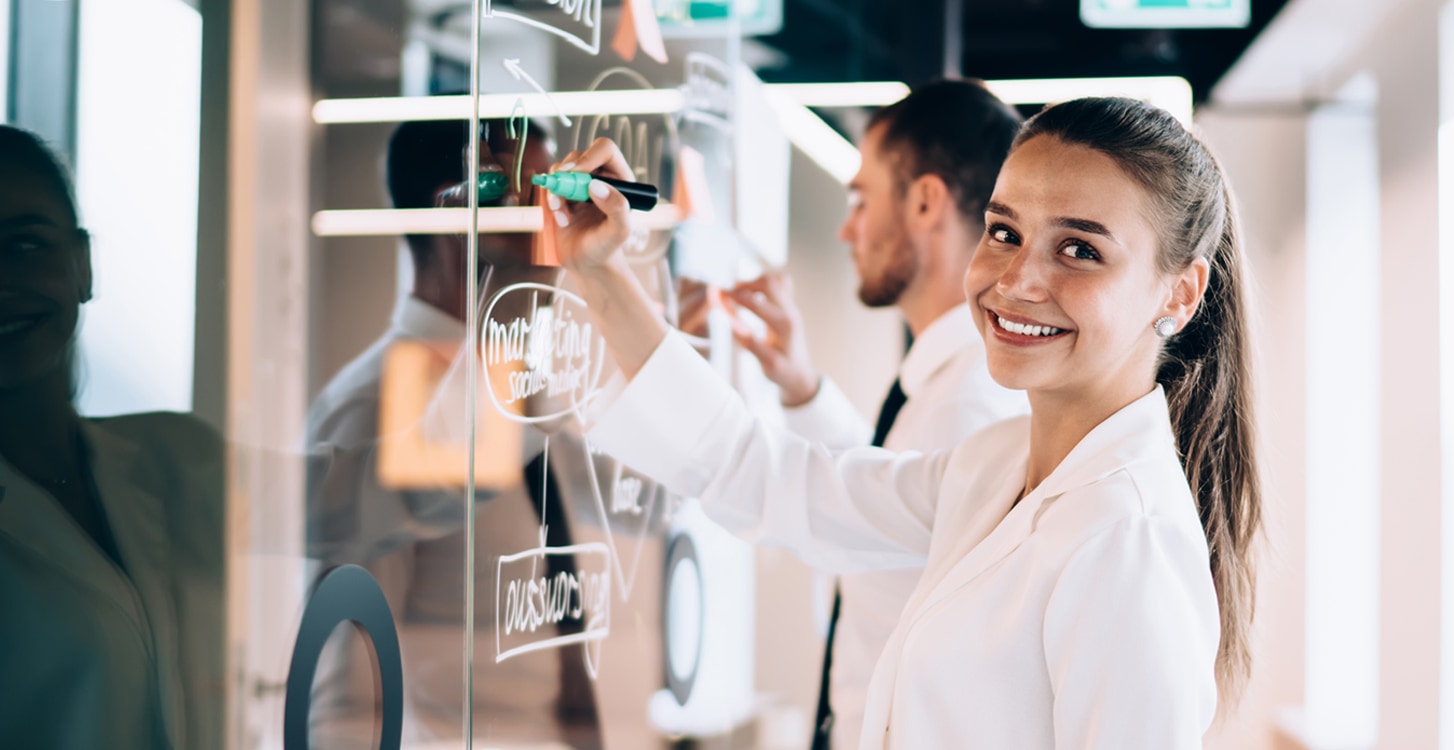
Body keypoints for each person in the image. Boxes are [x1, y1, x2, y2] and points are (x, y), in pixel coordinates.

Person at [548, 96, 1261, 748]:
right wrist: (601, 272)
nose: (1016, 280)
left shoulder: (1124, 538)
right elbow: (768, 476)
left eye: (1080, 249)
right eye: (1005, 231)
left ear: (1182, 292)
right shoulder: (995, 466)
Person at [303, 118, 662, 748]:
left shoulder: (518, 392)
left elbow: (654, 496)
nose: (556, 231)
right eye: (535, 205)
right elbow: (348, 693)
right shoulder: (375, 406)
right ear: (456, 214)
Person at [717, 79, 1028, 750]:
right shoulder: (947, 388)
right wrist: (800, 387)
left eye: (861, 199)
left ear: (924, 201)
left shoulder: (971, 403)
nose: (846, 227)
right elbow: (891, 501)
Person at [0, 124, 226, 748]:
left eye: (24, 245)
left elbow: (370, 494)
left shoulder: (178, 461)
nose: (2, 283)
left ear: (83, 265)